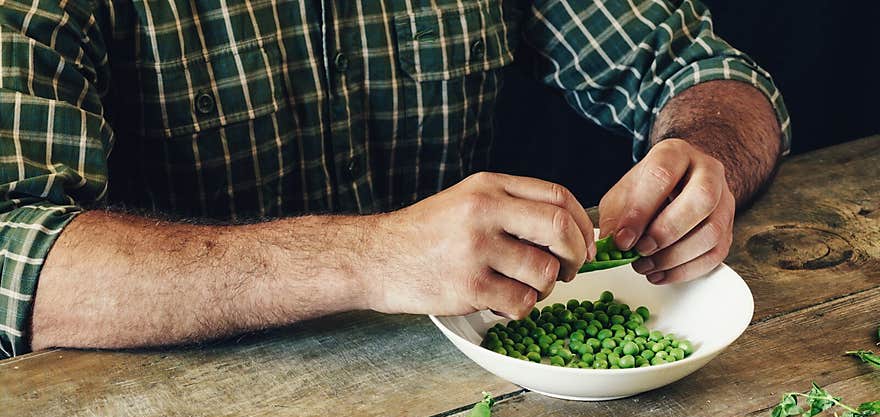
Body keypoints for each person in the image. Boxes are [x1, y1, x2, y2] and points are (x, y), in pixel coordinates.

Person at [0, 1, 789, 358]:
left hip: (473, 390)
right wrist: (369, 257)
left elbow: (706, 71)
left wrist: (705, 154)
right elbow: (15, 256)